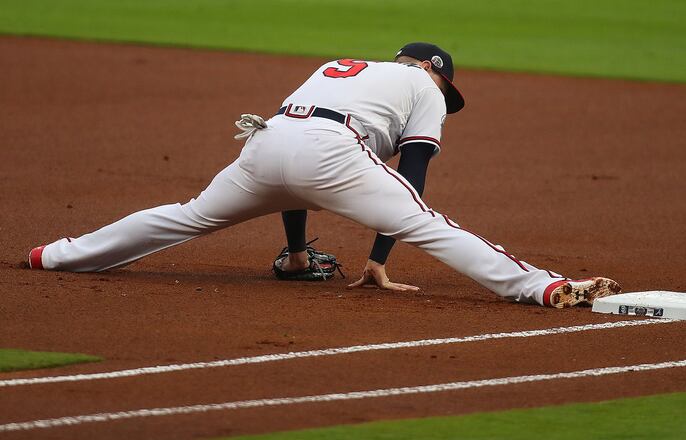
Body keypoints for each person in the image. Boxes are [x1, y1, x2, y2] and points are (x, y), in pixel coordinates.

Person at [27, 42, 621, 307]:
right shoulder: (424, 85)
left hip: (268, 139)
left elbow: (293, 178)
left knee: (188, 217)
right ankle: (539, 285)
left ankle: (54, 255)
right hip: (328, 146)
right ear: (435, 72)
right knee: (429, 223)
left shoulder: (339, 67)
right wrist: (381, 255)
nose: (447, 97)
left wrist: (293, 254)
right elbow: (412, 173)